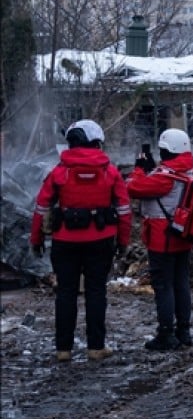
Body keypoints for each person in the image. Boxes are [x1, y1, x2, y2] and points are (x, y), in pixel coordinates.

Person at [29, 119, 132, 362]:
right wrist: (123, 241)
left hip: (65, 242)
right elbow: (125, 210)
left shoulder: (59, 171)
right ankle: (96, 347)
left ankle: (63, 349)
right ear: (96, 141)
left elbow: (41, 207)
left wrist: (36, 239)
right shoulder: (110, 170)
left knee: (66, 293)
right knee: (96, 292)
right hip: (101, 241)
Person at [125, 128, 193, 350]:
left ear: (167, 151)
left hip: (162, 238)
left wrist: (139, 170)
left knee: (164, 286)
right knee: (181, 283)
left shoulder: (165, 178)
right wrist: (153, 170)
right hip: (183, 235)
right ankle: (183, 331)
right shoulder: (189, 171)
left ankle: (166, 334)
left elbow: (133, 188)